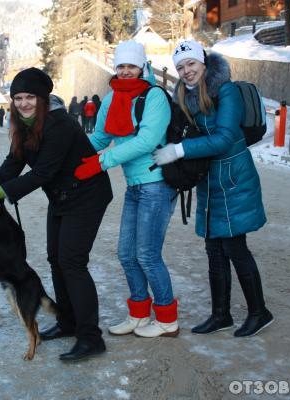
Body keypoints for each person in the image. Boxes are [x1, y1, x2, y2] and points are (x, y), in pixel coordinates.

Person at [0, 67, 112, 361]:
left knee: (72, 261)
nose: (23, 103)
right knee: (55, 260)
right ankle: (68, 321)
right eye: (18, 98)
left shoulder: (59, 124)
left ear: (43, 98)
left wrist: (2, 193)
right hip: (61, 198)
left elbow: (44, 172)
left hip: (86, 196)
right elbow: (10, 167)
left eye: (30, 97)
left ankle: (91, 337)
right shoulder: (23, 127)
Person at [152, 40, 273, 337]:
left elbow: (223, 138)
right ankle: (221, 314)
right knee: (213, 249)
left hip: (233, 177)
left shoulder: (226, 90)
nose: (186, 71)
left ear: (203, 62)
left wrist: (179, 151)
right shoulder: (185, 95)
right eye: (180, 67)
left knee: (234, 246)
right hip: (209, 178)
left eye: (191, 64)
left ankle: (260, 312)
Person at [75, 40, 179, 338]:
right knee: (126, 254)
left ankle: (167, 319)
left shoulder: (154, 96)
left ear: (142, 66)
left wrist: (102, 162)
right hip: (135, 187)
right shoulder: (112, 98)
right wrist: (72, 158)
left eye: (131, 66)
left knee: (147, 255)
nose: (125, 71)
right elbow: (99, 137)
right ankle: (138, 314)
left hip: (156, 184)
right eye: (120, 66)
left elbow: (147, 141)